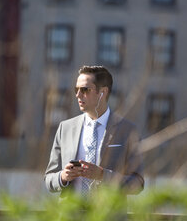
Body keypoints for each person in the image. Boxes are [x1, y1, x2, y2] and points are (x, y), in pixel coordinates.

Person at [44, 65, 144, 198]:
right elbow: (48, 179)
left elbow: (137, 184)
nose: (78, 95)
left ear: (102, 92)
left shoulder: (127, 130)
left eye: (85, 89)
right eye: (76, 89)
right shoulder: (65, 128)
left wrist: (103, 175)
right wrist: (63, 177)